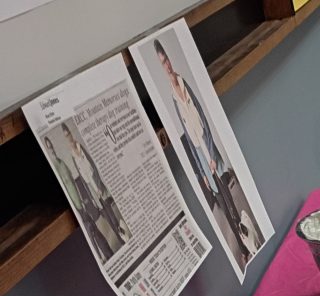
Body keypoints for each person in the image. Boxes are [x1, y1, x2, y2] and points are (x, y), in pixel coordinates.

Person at [153, 38, 259, 266]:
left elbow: (203, 121)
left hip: (210, 150)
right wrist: (202, 172)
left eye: (167, 60)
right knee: (222, 204)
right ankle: (243, 249)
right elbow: (190, 140)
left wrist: (211, 156)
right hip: (201, 156)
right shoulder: (172, 97)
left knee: (230, 201)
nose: (167, 65)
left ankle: (247, 245)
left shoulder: (184, 85)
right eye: (162, 63)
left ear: (170, 60)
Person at [61, 125, 128, 259]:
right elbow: (82, 178)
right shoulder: (72, 156)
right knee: (107, 217)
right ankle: (120, 240)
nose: (69, 138)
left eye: (69, 134)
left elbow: (93, 166)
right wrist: (91, 196)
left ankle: (123, 238)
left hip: (97, 185)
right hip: (91, 190)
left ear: (71, 134)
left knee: (111, 214)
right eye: (66, 136)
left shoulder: (80, 146)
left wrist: (98, 186)